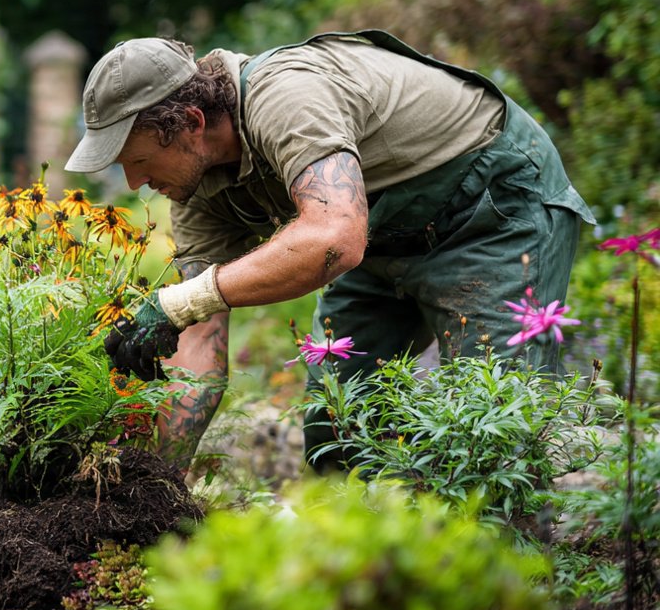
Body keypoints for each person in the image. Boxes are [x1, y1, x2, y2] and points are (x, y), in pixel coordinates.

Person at [65, 30, 594, 473]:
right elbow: (200, 341)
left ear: (192, 125)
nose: (134, 182)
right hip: (383, 237)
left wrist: (185, 299)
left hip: (491, 209)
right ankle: (356, 581)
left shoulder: (287, 98)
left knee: (491, 434)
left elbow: (334, 238)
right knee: (338, 429)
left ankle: (513, 587)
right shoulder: (197, 188)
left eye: (136, 159)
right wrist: (158, 480)